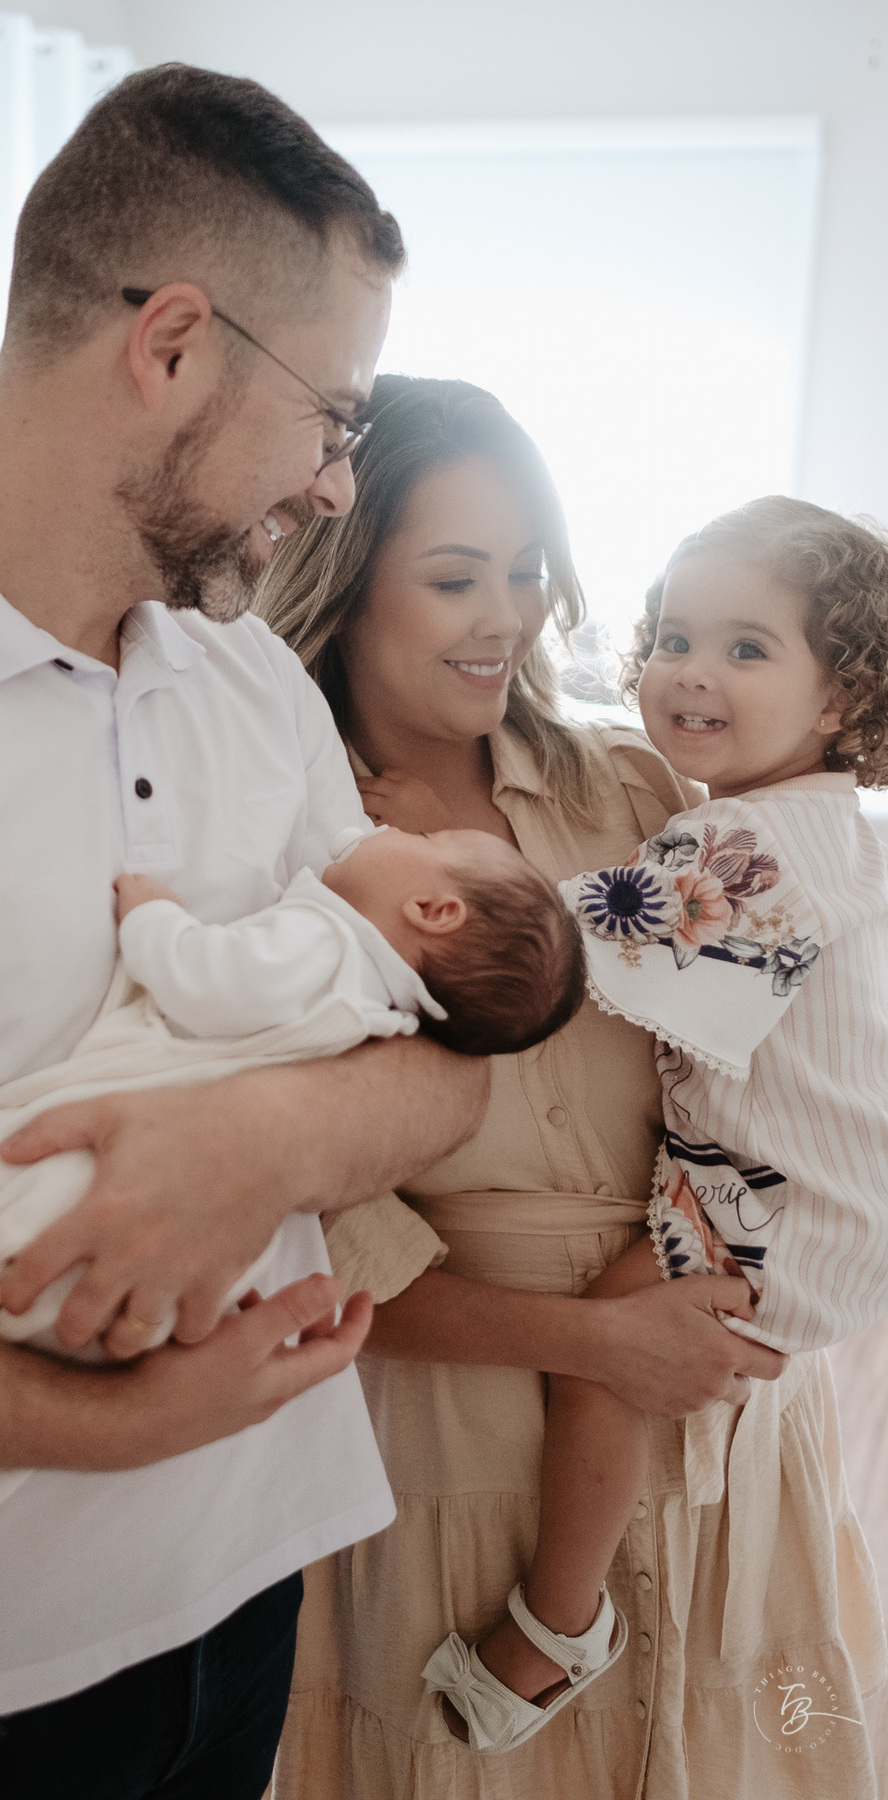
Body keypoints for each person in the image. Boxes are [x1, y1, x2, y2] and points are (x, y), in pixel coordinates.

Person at [0, 69, 507, 1800]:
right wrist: (107, 1424)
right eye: (332, 419)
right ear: (176, 347)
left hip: (246, 1581)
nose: (336, 486)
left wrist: (262, 1136)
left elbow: (444, 1063)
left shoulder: (250, 691)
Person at [257, 375, 883, 1799]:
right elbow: (298, 1232)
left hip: (722, 1411)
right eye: (458, 576)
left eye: (530, 572)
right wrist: (596, 1342)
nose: (509, 617)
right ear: (348, 587)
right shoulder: (289, 850)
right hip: (457, 1439)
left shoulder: (643, 791)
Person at [0, 827, 585, 1586]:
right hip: (194, 1230)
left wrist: (153, 915)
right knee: (37, 1329)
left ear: (434, 910)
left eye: (427, 836)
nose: (387, 827)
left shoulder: (328, 945)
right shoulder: (385, 1014)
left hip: (114, 1169)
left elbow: (209, 983)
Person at [421, 496, 888, 1754]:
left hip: (783, 1207)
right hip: (815, 1197)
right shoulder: (823, 827)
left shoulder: (748, 846)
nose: (690, 672)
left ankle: (559, 1622)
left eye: (747, 649)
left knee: (611, 1342)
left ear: (842, 697)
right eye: (676, 637)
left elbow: (564, 945)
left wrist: (400, 885)